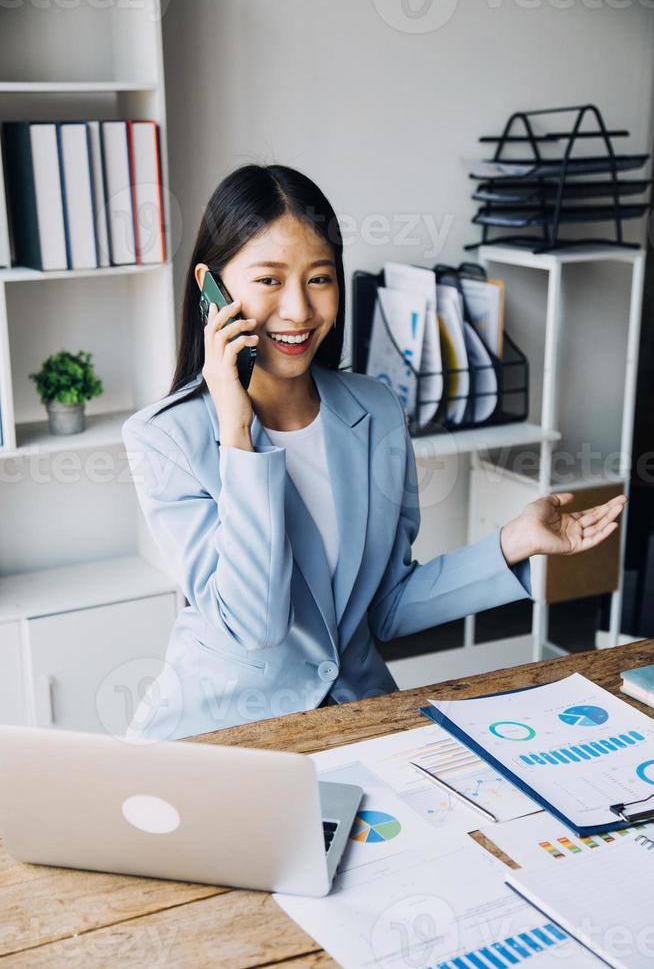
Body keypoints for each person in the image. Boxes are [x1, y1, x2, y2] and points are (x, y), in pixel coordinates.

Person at [122, 163, 626, 741]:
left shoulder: (375, 409)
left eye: (319, 278)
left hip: (358, 716)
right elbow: (252, 625)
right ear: (212, 289)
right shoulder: (167, 438)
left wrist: (514, 543)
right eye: (268, 281)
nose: (299, 311)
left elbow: (386, 604)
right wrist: (237, 431)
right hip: (225, 733)